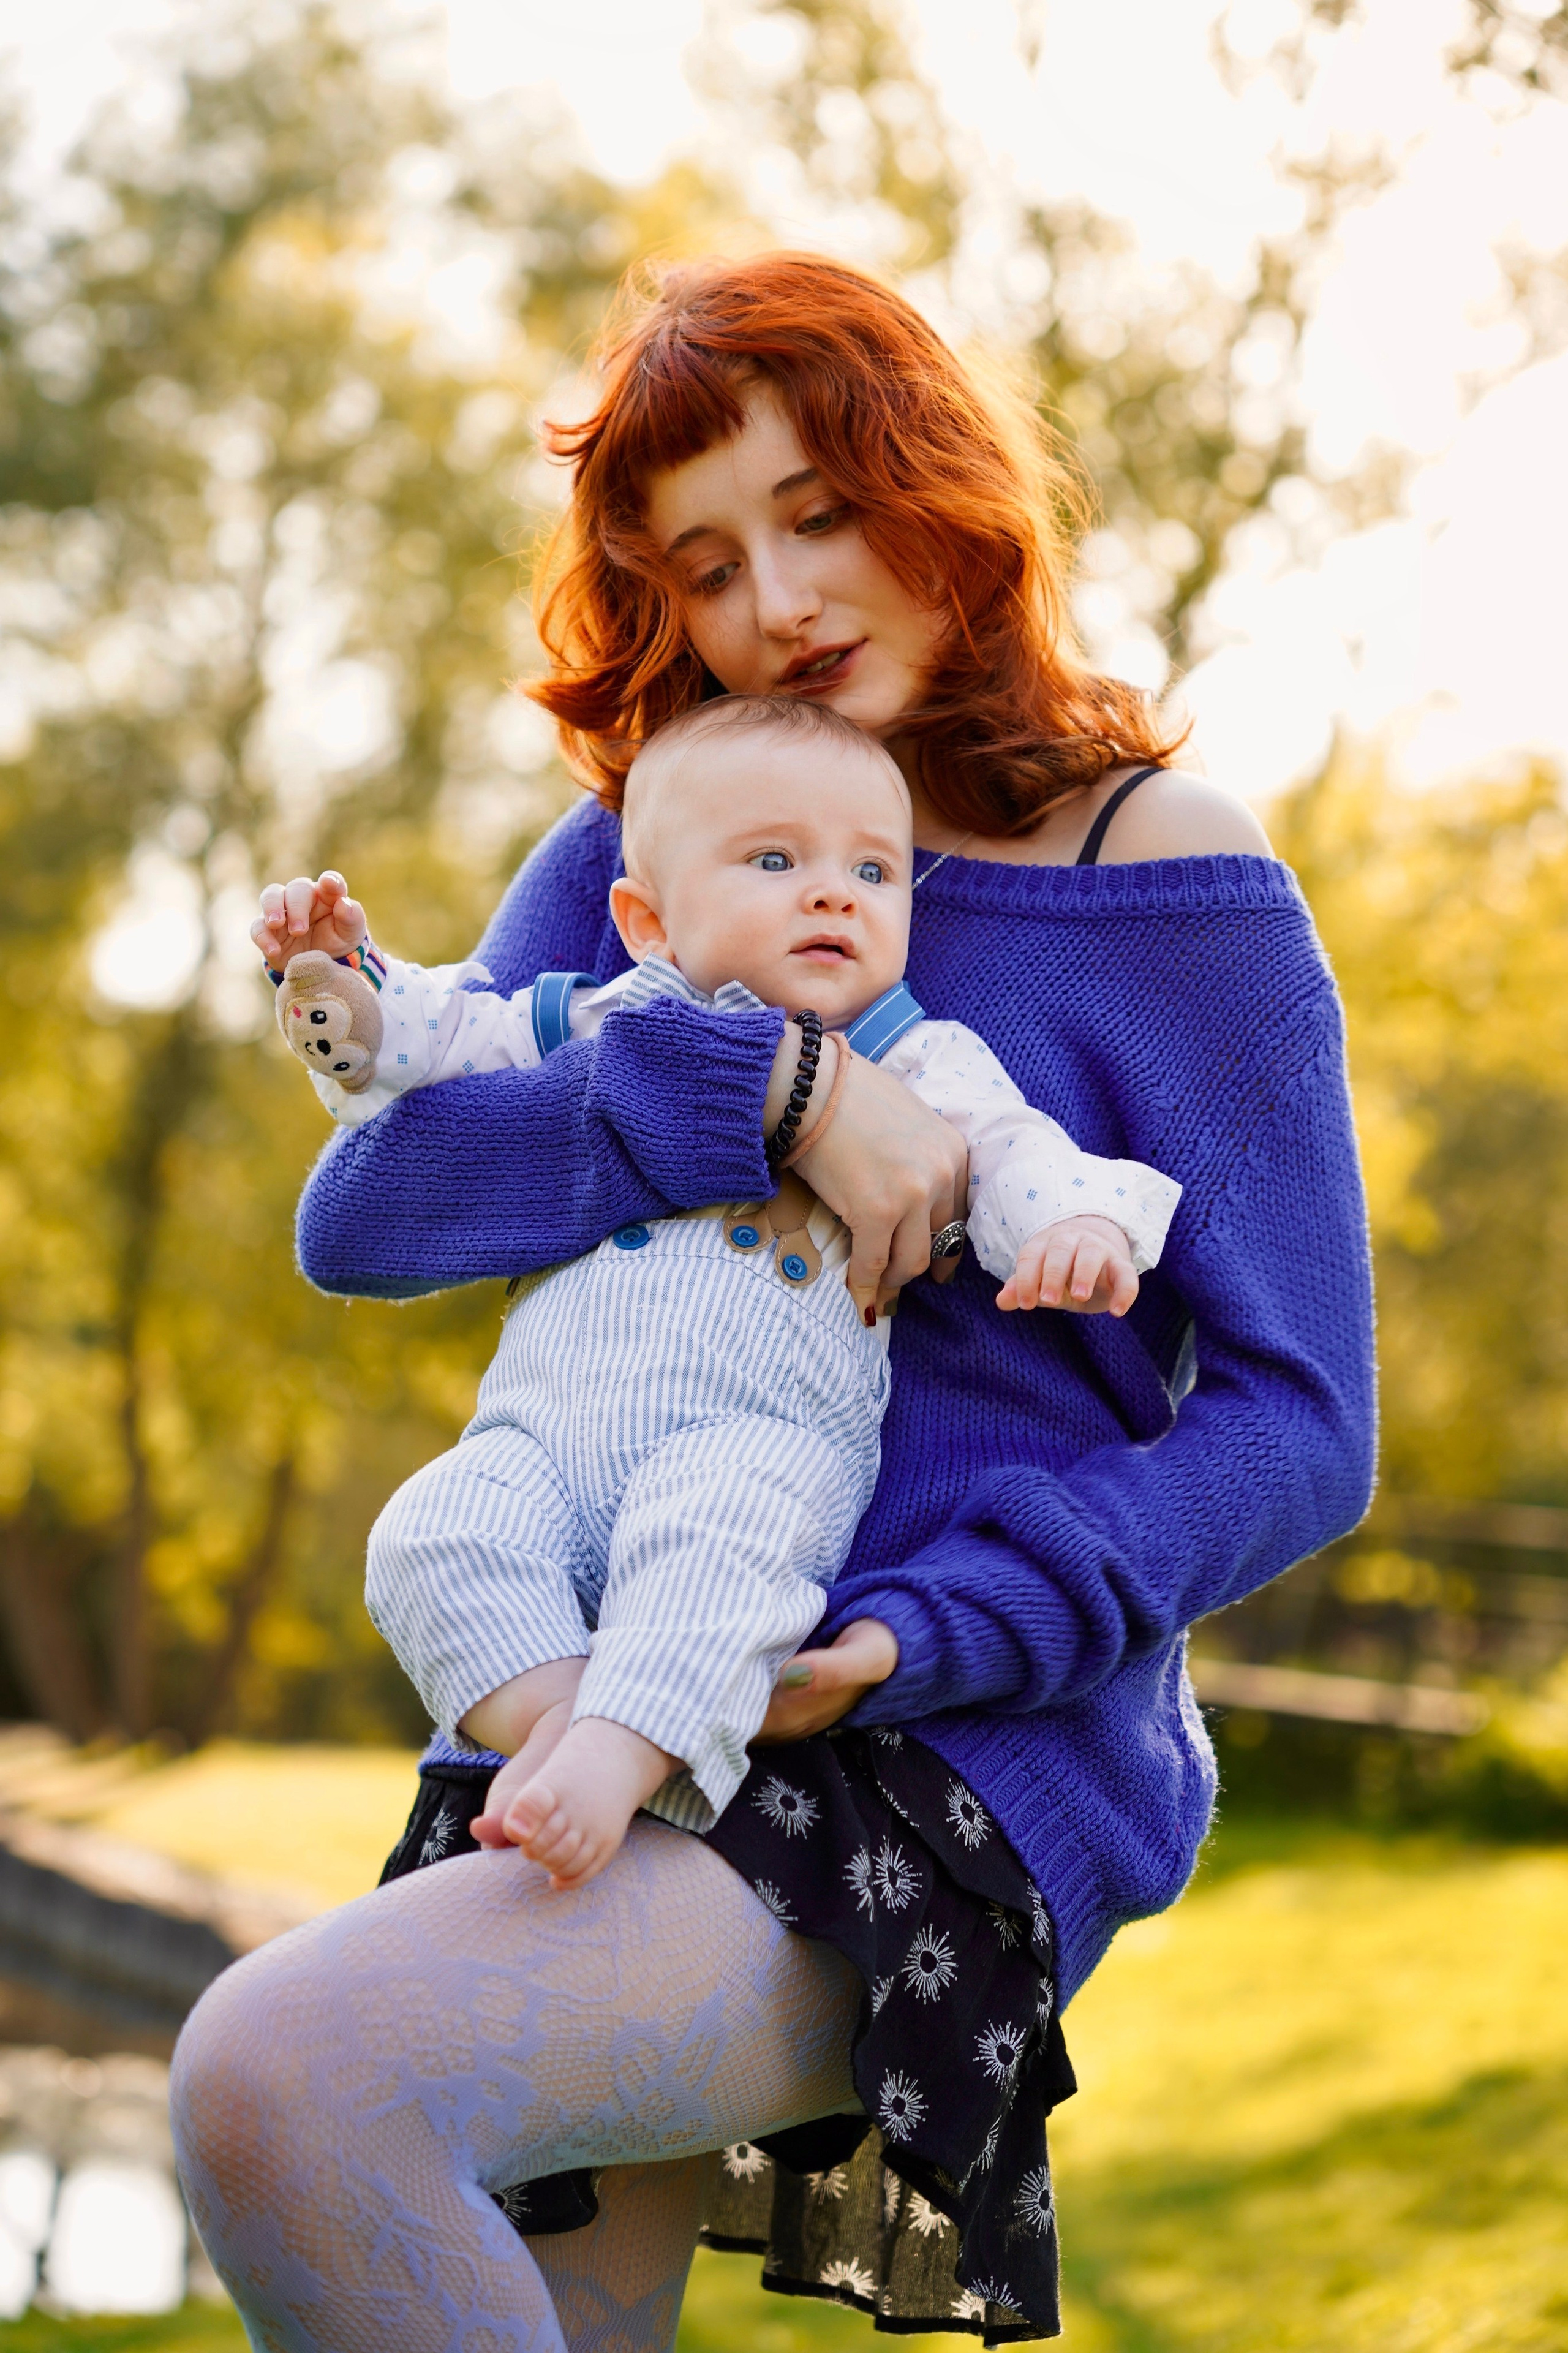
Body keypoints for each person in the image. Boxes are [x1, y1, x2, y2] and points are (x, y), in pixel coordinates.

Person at [170, 252, 1375, 2352]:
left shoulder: (1166, 881)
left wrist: (936, 1630)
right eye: (706, 564)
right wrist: (779, 1090)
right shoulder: (666, 840)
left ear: (938, 484)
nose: (780, 600)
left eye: (821, 512)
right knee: (549, 2302)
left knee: (288, 2077)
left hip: (936, 1742)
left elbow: (1298, 1420)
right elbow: (367, 1217)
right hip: (613, 1668)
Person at [254, 693, 1179, 1891]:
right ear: (645, 918)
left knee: (723, 1555)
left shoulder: (919, 1059)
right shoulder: (601, 1019)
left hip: (750, 1438)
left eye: (871, 870)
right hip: (536, 1436)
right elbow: (442, 1044)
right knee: (426, 1536)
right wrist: (348, 990)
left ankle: (616, 1758)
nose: (833, 892)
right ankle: (560, 1722)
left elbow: (1008, 1153)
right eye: (775, 860)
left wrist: (1076, 1223)